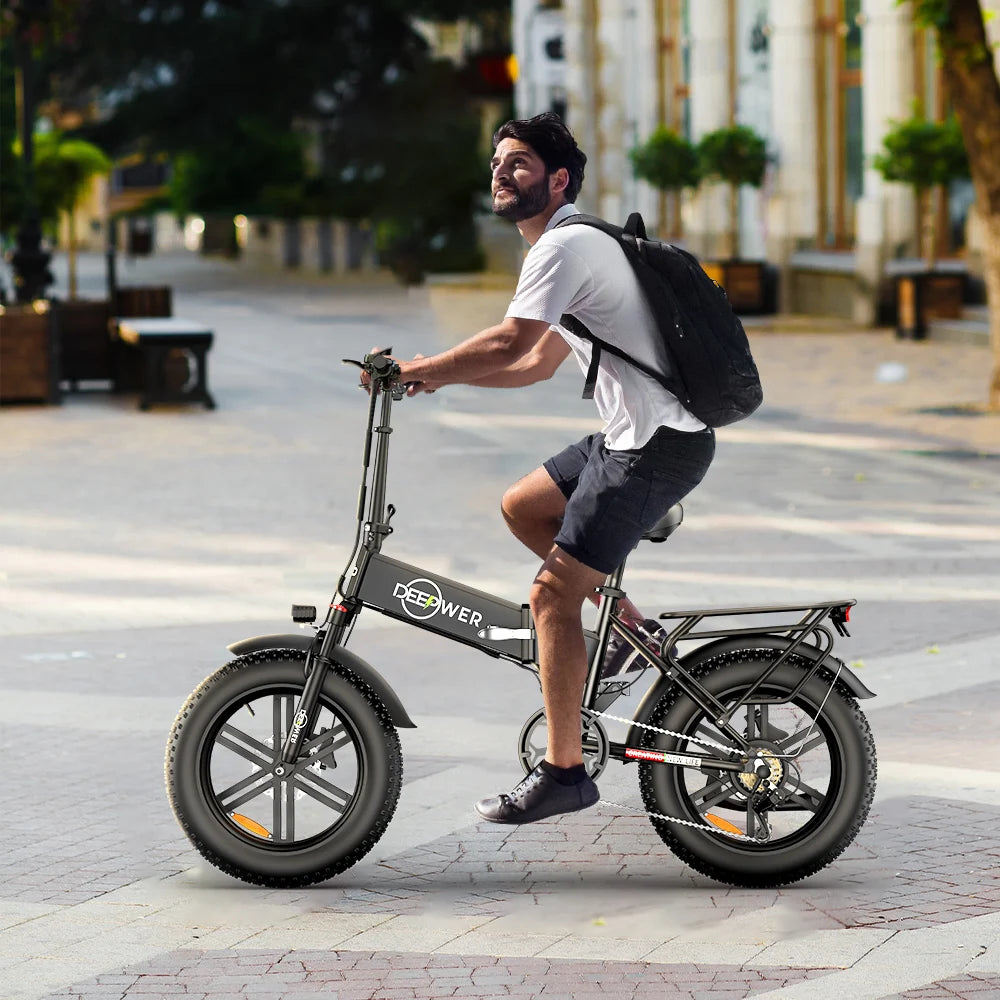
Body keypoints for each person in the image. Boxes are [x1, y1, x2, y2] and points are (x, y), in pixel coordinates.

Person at [390, 112, 716, 824]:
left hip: (652, 446)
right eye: (498, 163)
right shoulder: (569, 243)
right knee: (522, 506)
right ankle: (632, 632)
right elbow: (535, 362)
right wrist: (441, 381)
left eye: (520, 164)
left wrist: (420, 365)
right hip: (637, 437)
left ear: (558, 178)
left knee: (550, 597)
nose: (502, 174)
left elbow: (510, 341)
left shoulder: (564, 246)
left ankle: (565, 773)